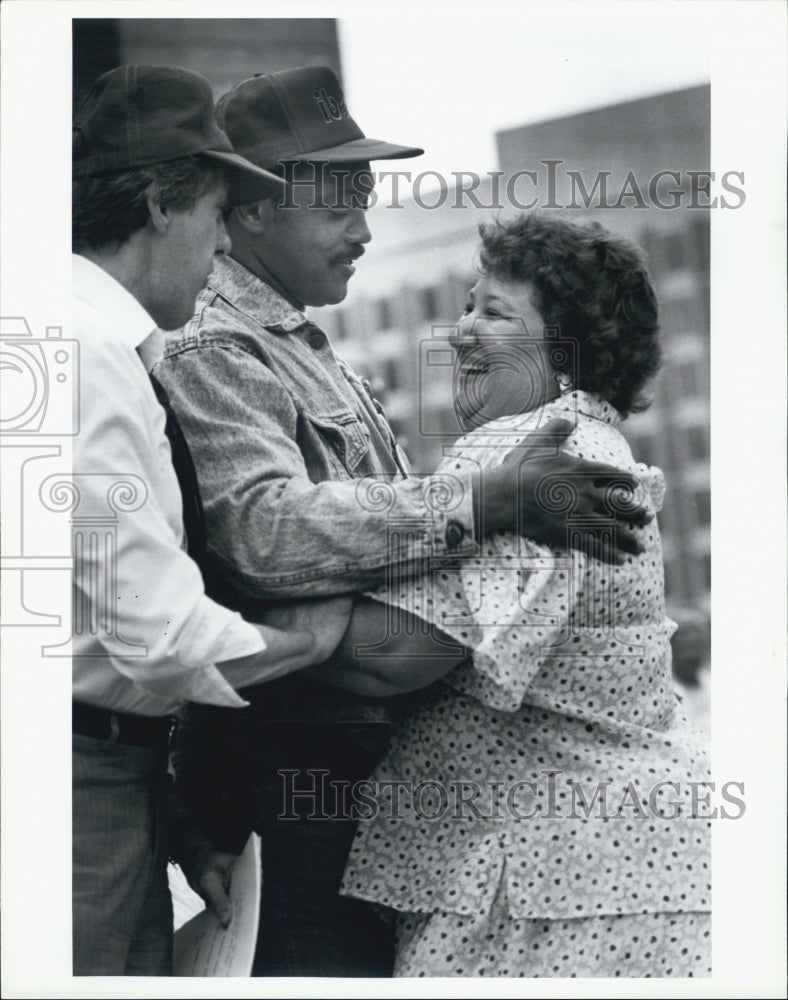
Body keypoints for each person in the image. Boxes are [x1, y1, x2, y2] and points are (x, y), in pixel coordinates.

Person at [154, 66, 654, 977]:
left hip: (358, 775)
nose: (364, 227)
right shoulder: (214, 342)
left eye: (369, 198)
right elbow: (264, 533)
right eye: (340, 201)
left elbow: (395, 565)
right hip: (291, 768)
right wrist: (479, 501)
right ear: (254, 207)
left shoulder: (297, 341)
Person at [319, 214, 711, 977]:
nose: (461, 330)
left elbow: (390, 658)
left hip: (552, 893)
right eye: (467, 305)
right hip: (619, 871)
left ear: (567, 352)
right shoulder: (592, 443)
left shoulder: (534, 453)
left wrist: (216, 630)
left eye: (493, 312)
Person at [71, 65, 323, 976]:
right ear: (158, 205)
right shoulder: (88, 355)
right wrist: (313, 640)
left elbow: (98, 632)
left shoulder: (94, 343)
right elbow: (162, 637)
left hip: (108, 778)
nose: (223, 245)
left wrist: (171, 812)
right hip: (79, 796)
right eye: (218, 212)